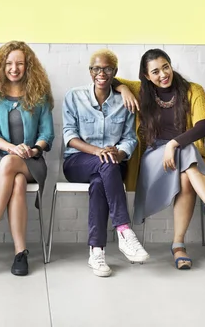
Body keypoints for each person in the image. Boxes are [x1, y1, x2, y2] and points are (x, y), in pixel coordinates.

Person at [115, 49, 205, 270]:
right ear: (147, 75)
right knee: (186, 152)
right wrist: (123, 89)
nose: (162, 74)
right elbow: (108, 76)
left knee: (186, 173)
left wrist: (173, 143)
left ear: (171, 65)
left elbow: (203, 126)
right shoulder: (140, 90)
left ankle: (178, 245)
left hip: (184, 155)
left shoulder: (192, 91)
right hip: (153, 158)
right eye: (155, 71)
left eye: (165, 67)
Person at [62, 49, 148, 277]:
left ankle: (96, 252)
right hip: (77, 162)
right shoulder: (74, 96)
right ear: (90, 72)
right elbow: (69, 136)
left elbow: (130, 138)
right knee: (105, 164)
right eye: (96, 69)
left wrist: (120, 153)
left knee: (101, 181)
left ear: (115, 72)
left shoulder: (125, 101)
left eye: (107, 68)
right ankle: (124, 230)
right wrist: (98, 151)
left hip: (112, 163)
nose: (102, 73)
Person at [0, 41, 54, 276]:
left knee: (13, 165)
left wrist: (34, 150)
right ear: (1, 66)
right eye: (8, 63)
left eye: (19, 63)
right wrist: (11, 148)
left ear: (28, 66)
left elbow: (47, 133)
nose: (14, 68)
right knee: (16, 180)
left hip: (33, 161)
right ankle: (20, 253)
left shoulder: (39, 95)